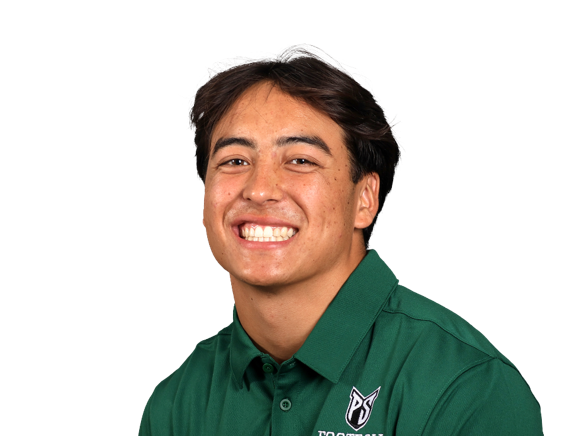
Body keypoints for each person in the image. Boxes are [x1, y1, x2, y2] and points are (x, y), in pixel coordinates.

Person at [139, 44, 543, 435]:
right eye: (235, 160)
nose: (259, 190)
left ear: (365, 200)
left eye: (300, 160)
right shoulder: (175, 403)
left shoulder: (465, 388)